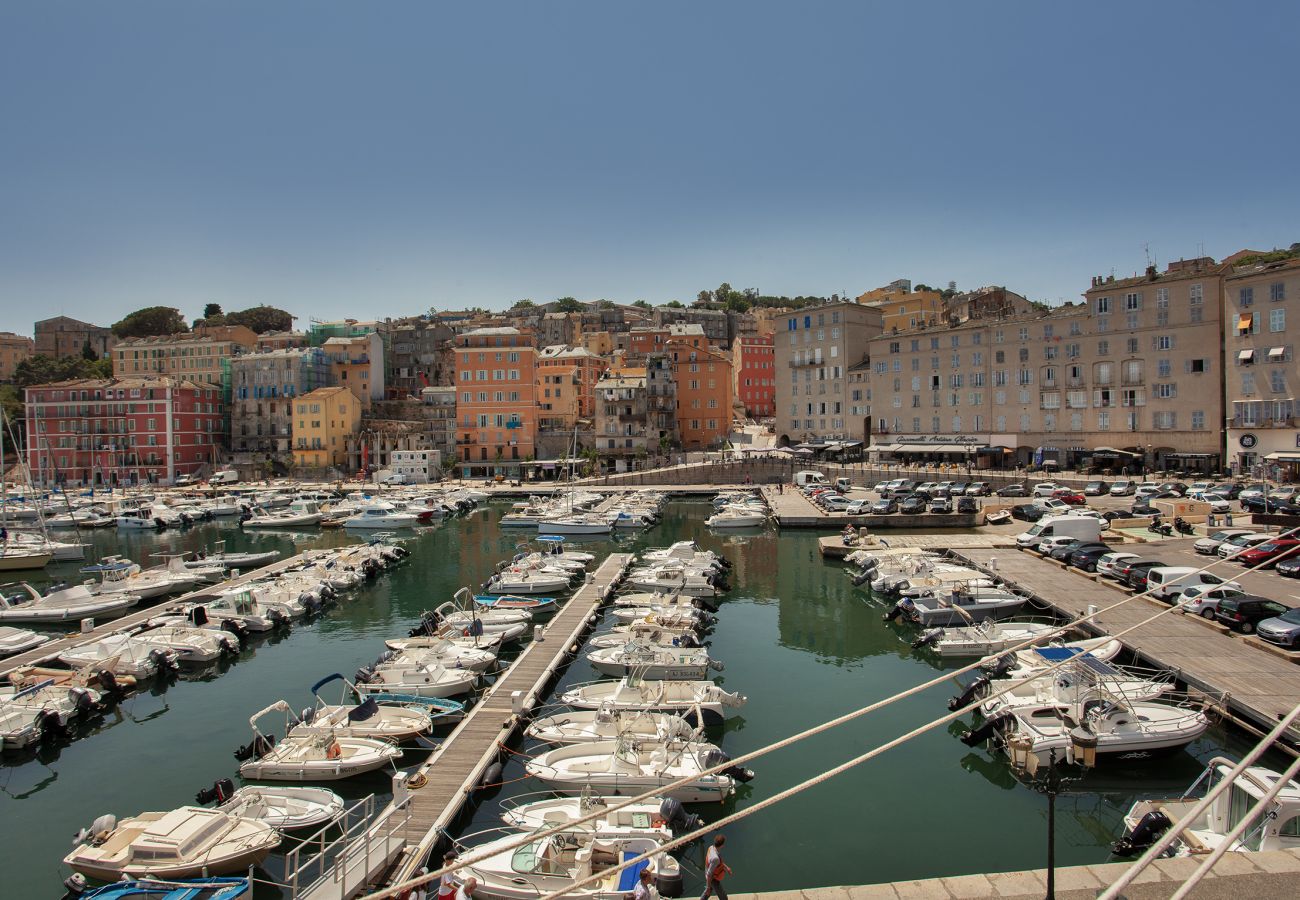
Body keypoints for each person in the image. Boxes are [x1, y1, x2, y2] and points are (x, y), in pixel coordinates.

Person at [700, 834, 731, 900]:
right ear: (722, 845)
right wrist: (708, 887)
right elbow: (709, 874)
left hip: (710, 875)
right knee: (724, 898)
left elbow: (718, 863)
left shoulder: (711, 847)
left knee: (707, 893)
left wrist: (726, 868)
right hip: (713, 879)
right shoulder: (715, 858)